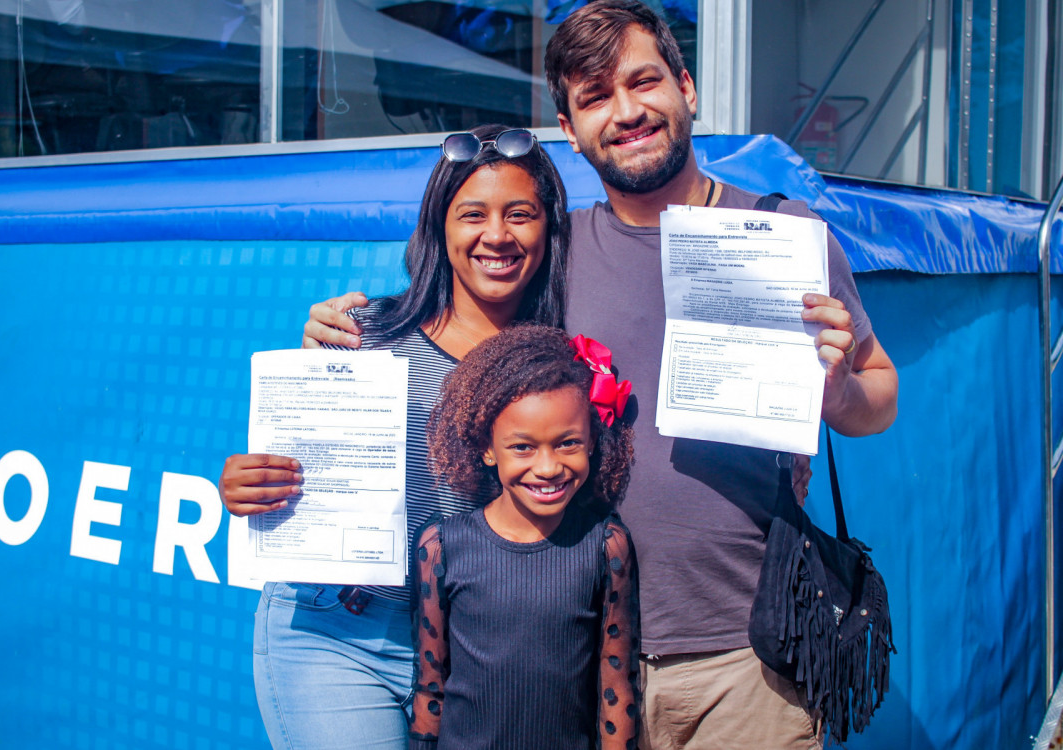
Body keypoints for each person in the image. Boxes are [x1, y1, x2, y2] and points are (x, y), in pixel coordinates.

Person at [303, 2, 898, 747]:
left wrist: (840, 391)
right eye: (594, 98)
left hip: (742, 658)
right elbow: (452, 327)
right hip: (578, 658)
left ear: (687, 87)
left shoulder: (786, 234)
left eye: (643, 82)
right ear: (569, 126)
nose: (626, 113)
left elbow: (878, 391)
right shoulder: (553, 259)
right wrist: (344, 333)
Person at [218, 123, 571, 749]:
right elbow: (296, 465)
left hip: (480, 646)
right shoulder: (361, 335)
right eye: (473, 214)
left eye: (520, 214)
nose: (497, 235)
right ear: (439, 227)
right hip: (337, 633)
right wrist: (249, 484)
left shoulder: (560, 364)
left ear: (549, 231)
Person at [411, 325, 638, 749]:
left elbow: (618, 690)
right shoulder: (441, 547)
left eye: (568, 442)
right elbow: (430, 688)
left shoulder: (606, 545)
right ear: (486, 447)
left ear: (592, 441)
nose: (549, 467)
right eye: (523, 448)